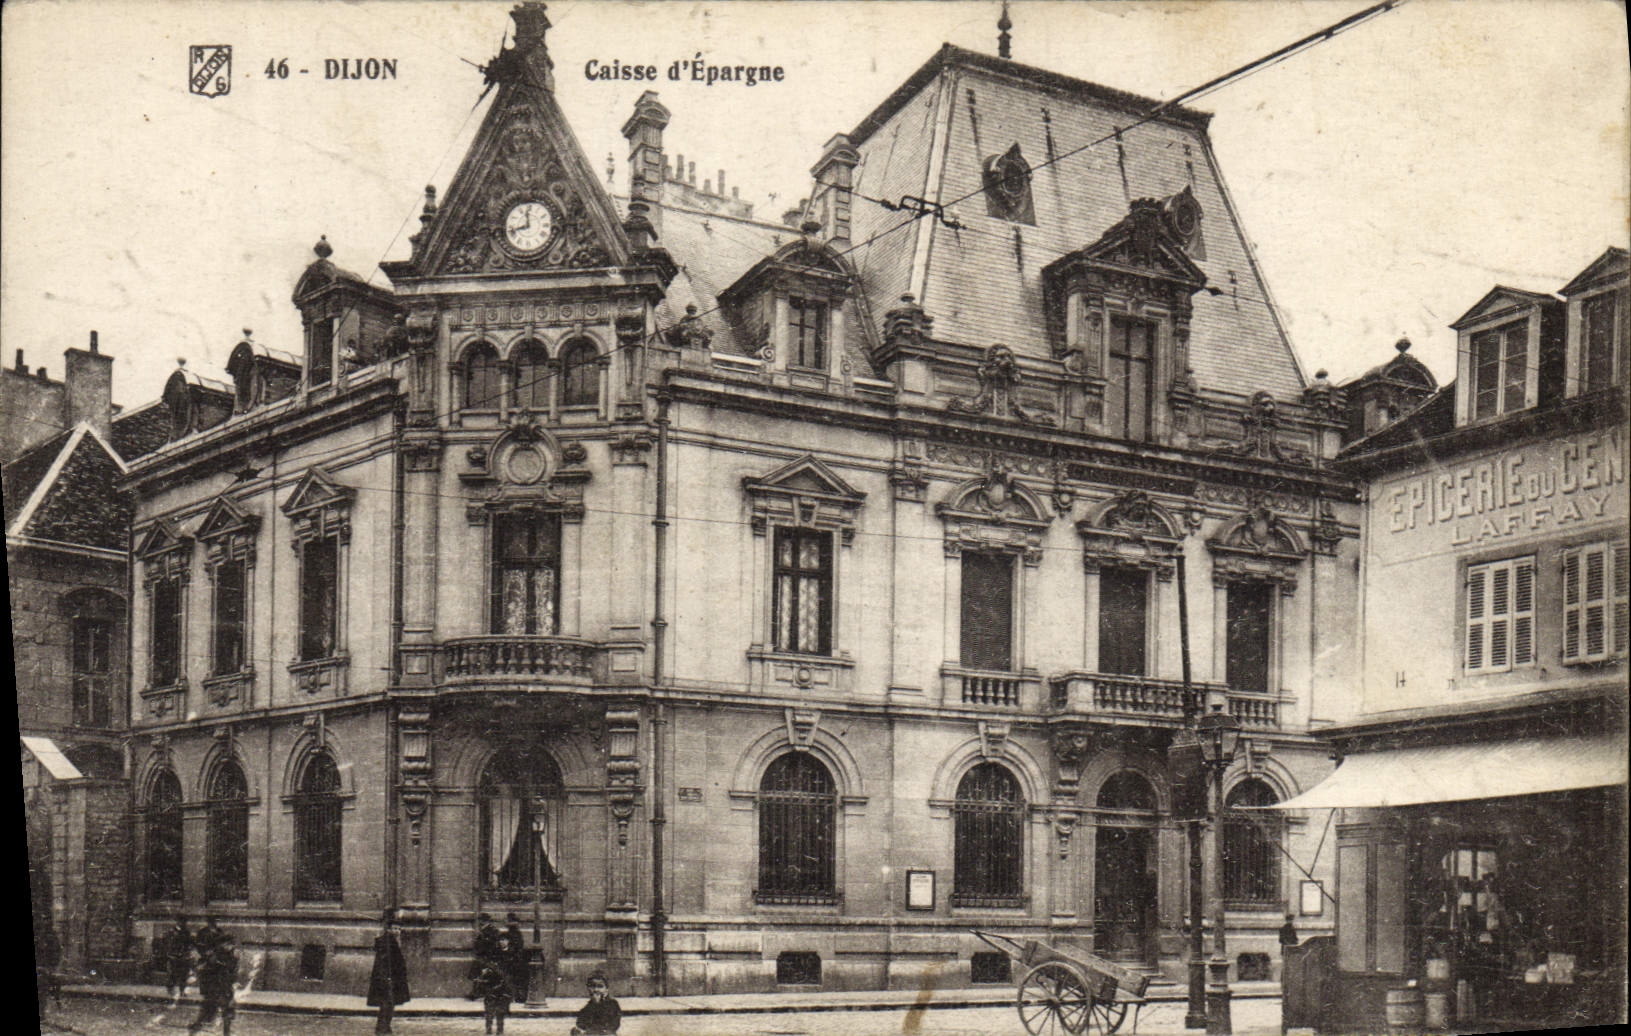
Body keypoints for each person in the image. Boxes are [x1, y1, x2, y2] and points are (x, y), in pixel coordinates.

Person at [367, 909, 411, 1035]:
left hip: (391, 979)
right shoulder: (387, 942)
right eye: (395, 928)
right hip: (387, 979)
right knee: (387, 1004)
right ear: (389, 929)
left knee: (389, 1004)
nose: (397, 931)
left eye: (399, 929)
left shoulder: (392, 941)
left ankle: (385, 1027)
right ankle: (382, 1029)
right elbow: (383, 963)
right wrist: (387, 979)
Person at [188, 932, 238, 1036]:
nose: (231, 946)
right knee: (208, 1011)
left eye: (232, 944)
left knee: (227, 1011)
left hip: (225, 987)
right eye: (229, 944)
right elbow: (203, 970)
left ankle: (226, 1033)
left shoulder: (231, 955)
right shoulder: (214, 955)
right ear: (223, 944)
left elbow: (233, 971)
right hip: (214, 988)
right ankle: (195, 1028)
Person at [472, 952, 512, 1035]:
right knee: (491, 1012)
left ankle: (497, 1030)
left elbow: (505, 981)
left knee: (497, 1012)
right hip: (493, 993)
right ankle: (491, 1029)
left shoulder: (498, 969)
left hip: (498, 993)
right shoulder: (488, 969)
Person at [503, 913, 533, 1005]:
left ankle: (517, 997)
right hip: (517, 959)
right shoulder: (516, 933)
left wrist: (506, 950)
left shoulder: (511, 933)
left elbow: (513, 947)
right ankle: (518, 996)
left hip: (514, 960)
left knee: (514, 979)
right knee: (518, 980)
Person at [161, 916, 195, 998]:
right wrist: (170, 954)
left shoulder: (187, 932)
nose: (183, 923)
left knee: (184, 975)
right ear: (177, 922)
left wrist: (188, 951)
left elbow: (190, 943)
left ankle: (182, 991)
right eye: (181, 921)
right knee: (172, 974)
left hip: (184, 956)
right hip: (174, 956)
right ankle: (170, 991)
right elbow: (167, 943)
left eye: (184, 922)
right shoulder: (172, 932)